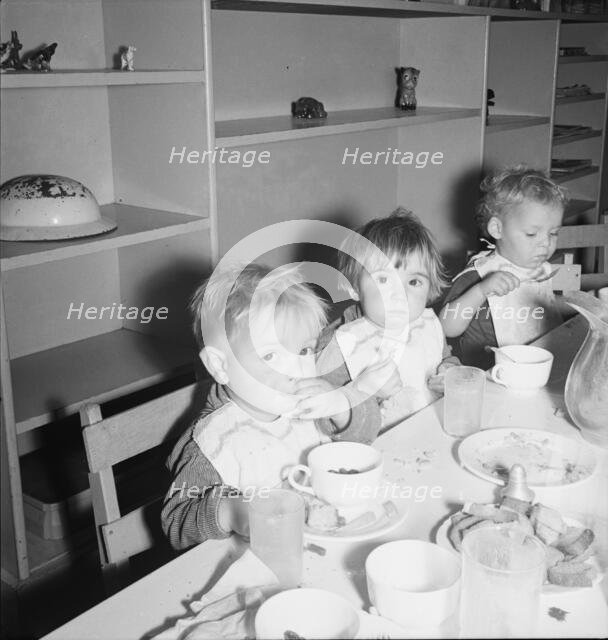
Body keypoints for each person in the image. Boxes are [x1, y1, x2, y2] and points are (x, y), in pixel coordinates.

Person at [161, 263, 376, 550]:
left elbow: (364, 439)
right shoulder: (213, 443)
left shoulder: (306, 406)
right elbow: (176, 523)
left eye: (304, 350)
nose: (297, 369)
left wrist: (341, 407)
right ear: (219, 366)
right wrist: (228, 511)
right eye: (271, 355)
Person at [316, 207, 459, 431]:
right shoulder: (342, 344)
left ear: (430, 289)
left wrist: (451, 370)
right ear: (354, 288)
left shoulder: (428, 325)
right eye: (383, 280)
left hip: (430, 436)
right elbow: (322, 421)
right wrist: (365, 393)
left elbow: (444, 357)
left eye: (414, 282)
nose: (400, 294)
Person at [439, 167, 567, 369]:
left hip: (539, 364)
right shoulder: (479, 275)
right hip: (490, 373)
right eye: (532, 234)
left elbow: (545, 309)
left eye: (553, 233)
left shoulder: (540, 269)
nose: (545, 243)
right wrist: (481, 291)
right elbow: (446, 327)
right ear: (497, 229)